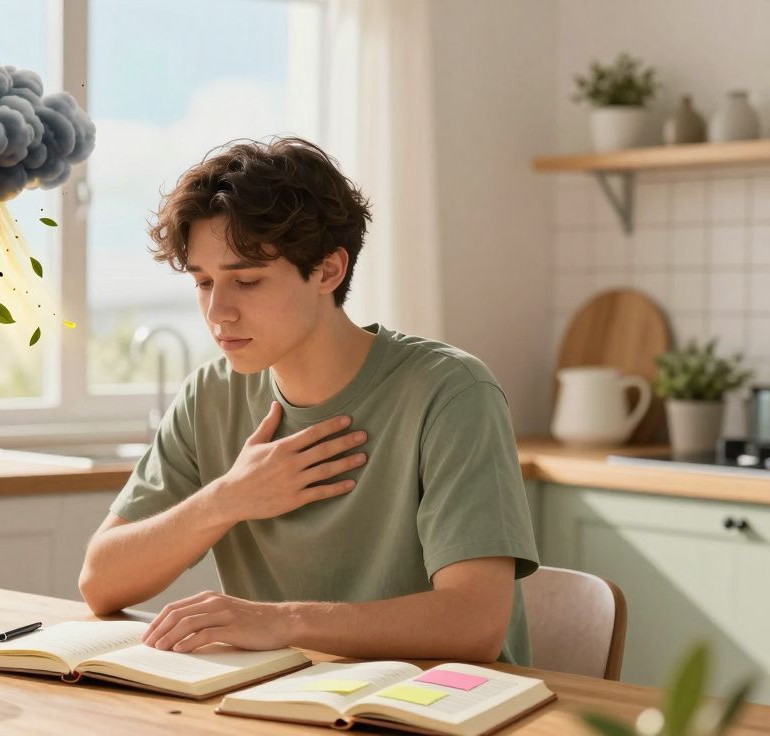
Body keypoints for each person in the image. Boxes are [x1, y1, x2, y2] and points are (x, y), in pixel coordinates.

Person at [77, 136, 540, 665]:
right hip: (285, 703)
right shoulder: (209, 395)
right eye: (204, 283)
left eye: (246, 281)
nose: (217, 312)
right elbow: (101, 582)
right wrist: (229, 498)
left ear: (328, 271)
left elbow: (474, 623)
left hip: (441, 708)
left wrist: (283, 621)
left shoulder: (451, 392)